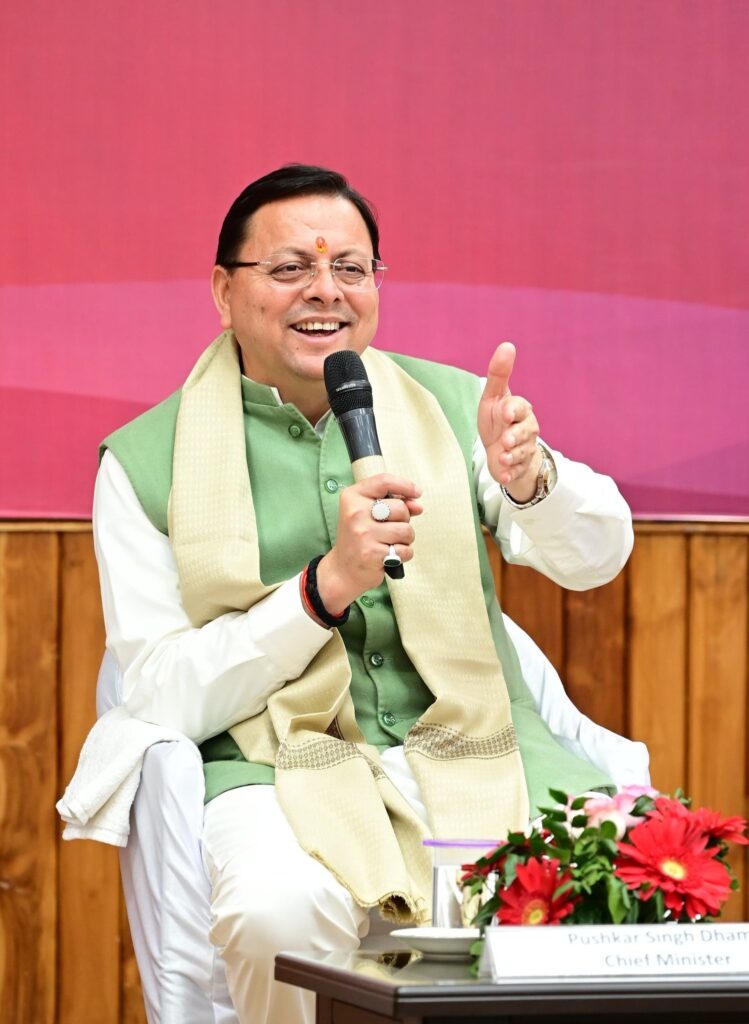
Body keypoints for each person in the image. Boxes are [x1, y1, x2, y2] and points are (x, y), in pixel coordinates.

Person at [93, 164, 634, 1024]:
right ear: (224, 293)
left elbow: (596, 558)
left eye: (350, 267)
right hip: (272, 761)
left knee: (631, 875)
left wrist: (531, 480)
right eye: (289, 268)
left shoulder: (452, 408)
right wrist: (320, 591)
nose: (325, 291)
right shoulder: (140, 462)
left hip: (482, 742)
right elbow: (158, 692)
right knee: (275, 914)